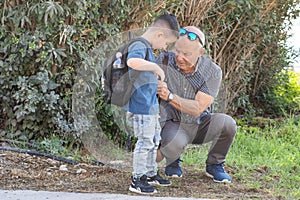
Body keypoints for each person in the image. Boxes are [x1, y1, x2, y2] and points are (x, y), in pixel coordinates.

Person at [156, 26, 237, 183]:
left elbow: (197, 108)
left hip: (200, 123)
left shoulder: (212, 71)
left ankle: (215, 165)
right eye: (177, 51)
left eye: (186, 54)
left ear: (200, 53)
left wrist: (169, 96)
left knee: (228, 124)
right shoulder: (164, 60)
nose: (179, 57)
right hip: (173, 123)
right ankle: (172, 160)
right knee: (173, 144)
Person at [125, 14, 180, 194]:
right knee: (145, 142)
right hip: (140, 107)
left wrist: (156, 82)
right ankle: (137, 179)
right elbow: (132, 62)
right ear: (159, 35)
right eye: (166, 43)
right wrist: (156, 68)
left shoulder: (147, 48)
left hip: (150, 107)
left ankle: (149, 173)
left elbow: (141, 75)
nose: (164, 47)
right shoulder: (139, 45)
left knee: (154, 140)